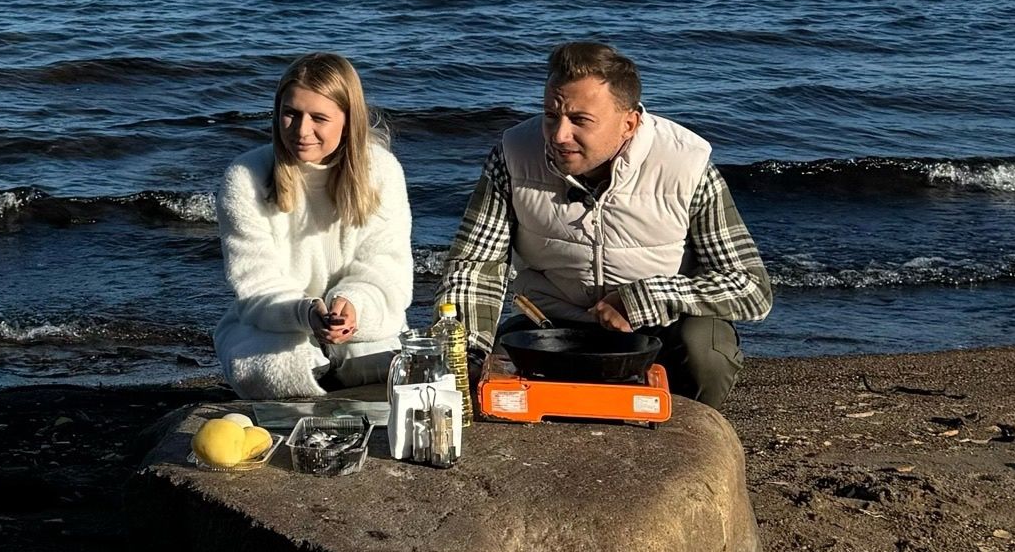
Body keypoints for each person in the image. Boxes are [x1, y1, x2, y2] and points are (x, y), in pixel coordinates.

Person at [437, 39, 772, 408]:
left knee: (706, 350)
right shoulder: (512, 155)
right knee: (489, 372)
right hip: (553, 327)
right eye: (551, 115)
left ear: (629, 123)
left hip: (658, 329)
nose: (559, 135)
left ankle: (686, 439)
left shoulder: (685, 166)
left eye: (580, 120)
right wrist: (465, 355)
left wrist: (643, 299)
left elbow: (751, 289)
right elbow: (474, 267)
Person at [214, 53, 414, 397]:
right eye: (290, 113)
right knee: (277, 369)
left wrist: (352, 308)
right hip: (274, 326)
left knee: (386, 362)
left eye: (319, 117)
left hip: (359, 330)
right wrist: (306, 312)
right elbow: (255, 284)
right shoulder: (245, 177)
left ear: (349, 121)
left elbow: (387, 271)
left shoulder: (382, 172)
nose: (301, 131)